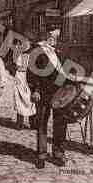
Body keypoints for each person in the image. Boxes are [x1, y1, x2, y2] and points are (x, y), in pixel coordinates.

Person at [26, 32, 69, 168]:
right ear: (46, 36)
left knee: (60, 123)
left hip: (60, 93)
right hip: (43, 92)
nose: (54, 39)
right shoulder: (37, 51)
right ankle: (41, 154)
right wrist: (35, 90)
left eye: (56, 36)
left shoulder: (61, 50)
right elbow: (31, 73)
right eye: (51, 36)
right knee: (41, 123)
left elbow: (67, 69)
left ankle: (58, 153)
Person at [10, 39, 36, 130]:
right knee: (20, 99)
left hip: (29, 77)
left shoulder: (32, 56)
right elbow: (17, 66)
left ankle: (32, 123)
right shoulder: (19, 55)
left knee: (31, 100)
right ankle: (20, 123)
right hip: (21, 77)